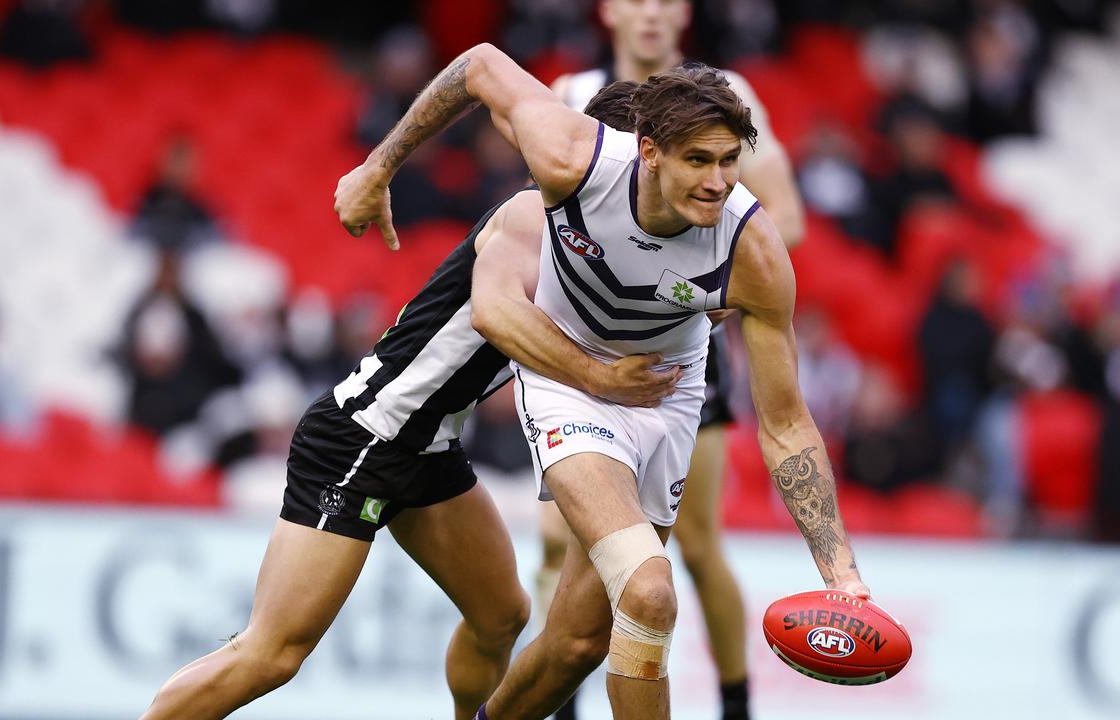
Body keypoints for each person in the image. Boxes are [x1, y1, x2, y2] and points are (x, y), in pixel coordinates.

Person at [334, 44, 869, 720]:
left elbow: (787, 424)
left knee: (578, 643)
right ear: (648, 152)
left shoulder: (751, 252)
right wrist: (378, 167)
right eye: (697, 161)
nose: (716, 181)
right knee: (649, 592)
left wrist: (840, 573)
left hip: (668, 399)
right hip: (571, 382)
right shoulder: (571, 157)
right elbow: (479, 66)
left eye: (729, 162)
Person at [137, 92, 680, 720]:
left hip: (428, 446)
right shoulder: (535, 217)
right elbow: (495, 316)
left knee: (501, 615)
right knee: (274, 654)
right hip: (365, 437)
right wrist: (604, 376)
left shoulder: (603, 242)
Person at [545, 2, 806, 716]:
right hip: (589, 343)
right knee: (560, 544)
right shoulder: (572, 95)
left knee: (694, 545)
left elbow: (785, 218)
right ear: (609, 10)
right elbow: (535, 218)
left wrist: (717, 279)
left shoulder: (726, 95)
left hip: (682, 349)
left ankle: (735, 707)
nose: (653, 12)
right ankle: (561, 698)